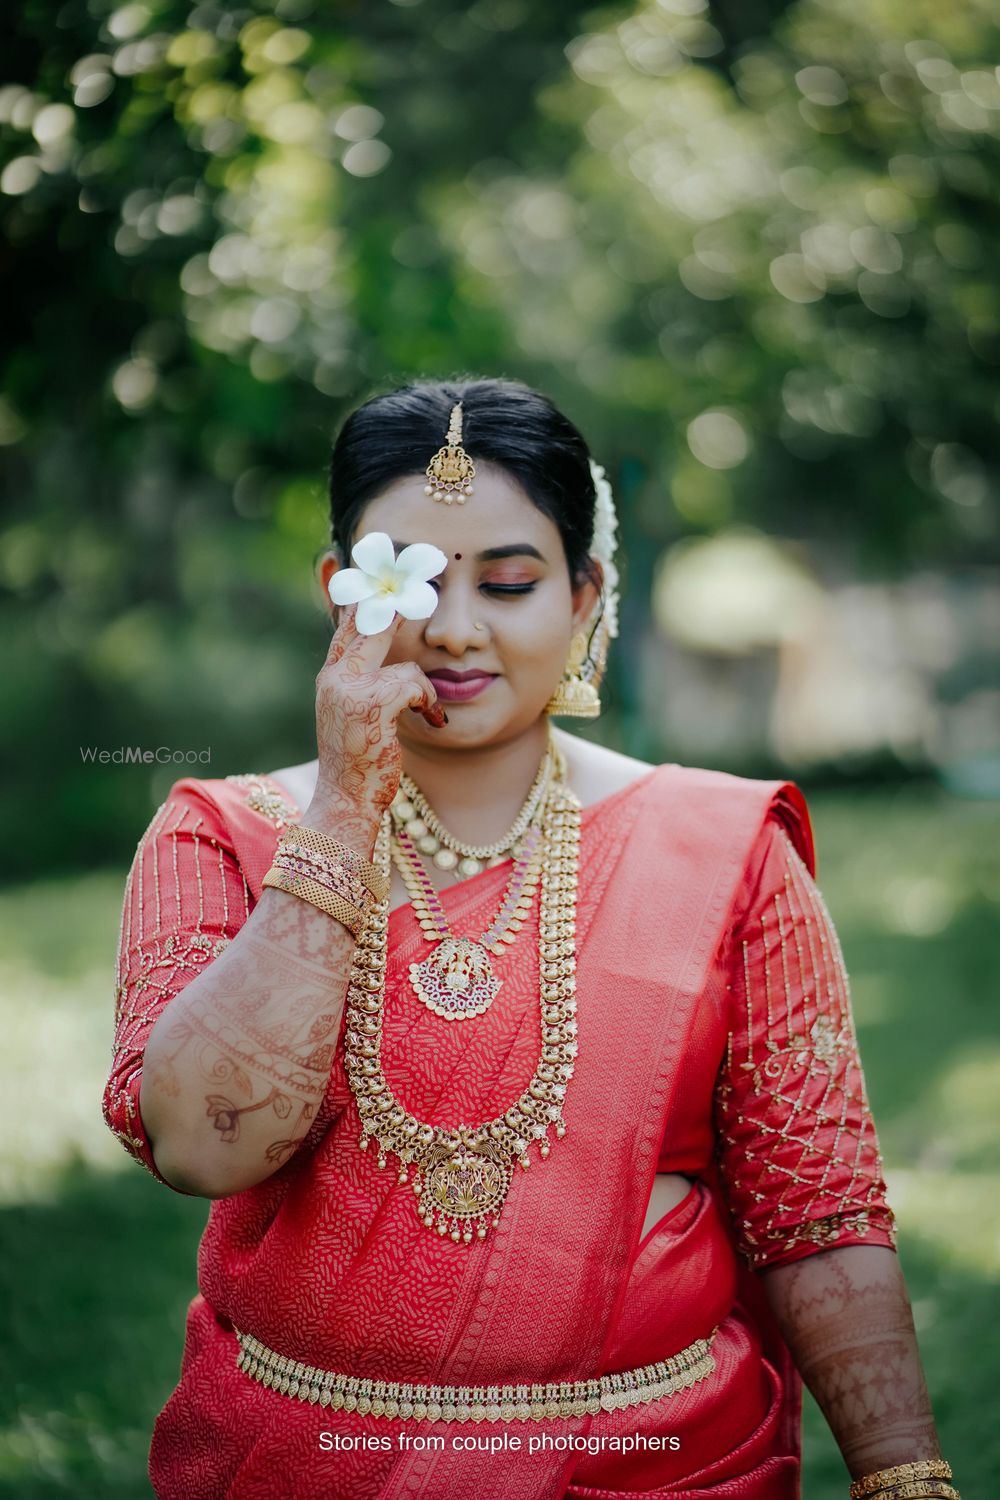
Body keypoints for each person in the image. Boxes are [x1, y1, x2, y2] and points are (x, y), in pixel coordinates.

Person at [103, 379, 955, 1500]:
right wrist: (345, 811)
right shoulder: (222, 834)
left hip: (658, 1463)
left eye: (508, 582)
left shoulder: (722, 847)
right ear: (339, 594)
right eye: (408, 578)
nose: (456, 627)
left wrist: (903, 1476)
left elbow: (815, 1206)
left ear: (584, 596)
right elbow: (204, 1149)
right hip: (307, 1464)